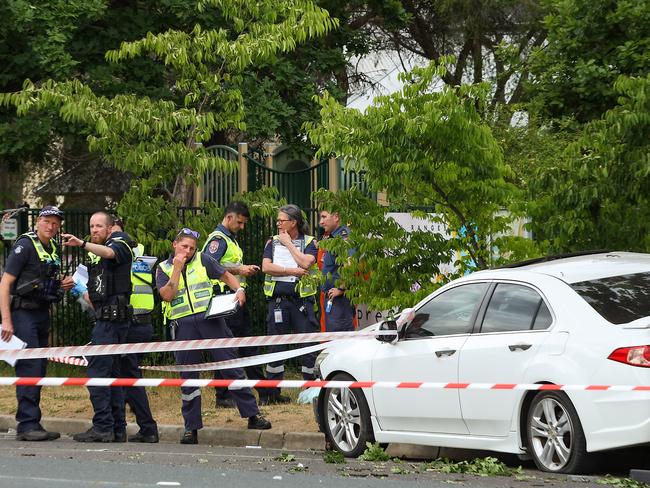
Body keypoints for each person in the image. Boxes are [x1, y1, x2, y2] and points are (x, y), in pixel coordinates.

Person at [156, 228, 271, 444]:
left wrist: (239, 290)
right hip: (183, 327)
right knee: (188, 378)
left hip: (211, 322)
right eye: (184, 247)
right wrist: (177, 270)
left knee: (231, 366)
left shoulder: (204, 260)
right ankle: (191, 428)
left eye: (191, 247)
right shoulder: (163, 268)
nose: (188, 251)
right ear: (174, 245)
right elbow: (167, 296)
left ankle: (252, 415)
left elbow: (226, 275)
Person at [0, 205, 74, 441]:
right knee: (30, 368)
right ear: (37, 222)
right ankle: (27, 424)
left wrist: (61, 285)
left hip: (42, 313)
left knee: (40, 369)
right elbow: (5, 284)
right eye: (47, 221)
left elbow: (43, 281)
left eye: (55, 223)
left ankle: (33, 422)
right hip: (23, 315)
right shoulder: (25, 245)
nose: (51, 226)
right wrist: (6, 321)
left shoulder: (52, 246)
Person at [62, 212, 133, 443]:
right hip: (106, 319)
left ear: (110, 228)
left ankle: (103, 427)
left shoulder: (120, 243)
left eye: (99, 226)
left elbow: (110, 253)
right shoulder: (97, 256)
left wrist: (82, 244)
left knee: (97, 374)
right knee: (112, 376)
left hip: (112, 323)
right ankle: (116, 429)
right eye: (91, 226)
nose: (94, 230)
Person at [201, 202, 271, 407]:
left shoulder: (229, 239)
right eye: (239, 222)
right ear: (229, 217)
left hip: (233, 299)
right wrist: (240, 270)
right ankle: (228, 394)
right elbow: (209, 265)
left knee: (235, 346)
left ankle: (250, 391)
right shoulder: (218, 239)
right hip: (225, 300)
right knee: (235, 346)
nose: (242, 227)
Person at [261, 204, 319, 403]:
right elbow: (266, 267)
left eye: (281, 220)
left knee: (308, 346)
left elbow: (305, 263)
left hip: (302, 304)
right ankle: (272, 394)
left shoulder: (311, 242)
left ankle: (311, 392)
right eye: (277, 221)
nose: (278, 224)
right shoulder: (272, 242)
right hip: (278, 303)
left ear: (293, 222)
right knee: (276, 348)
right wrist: (289, 271)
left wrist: (289, 244)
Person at [109, 217, 159, 443]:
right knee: (126, 376)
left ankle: (143, 427)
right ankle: (137, 427)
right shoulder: (140, 251)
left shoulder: (112, 251)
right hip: (143, 321)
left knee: (126, 378)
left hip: (127, 323)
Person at [318, 210, 356, 332]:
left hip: (340, 301)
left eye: (324, 217)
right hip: (333, 300)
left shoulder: (343, 237)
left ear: (336, 217)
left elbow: (350, 263)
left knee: (340, 343)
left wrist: (341, 288)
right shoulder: (333, 237)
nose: (321, 222)